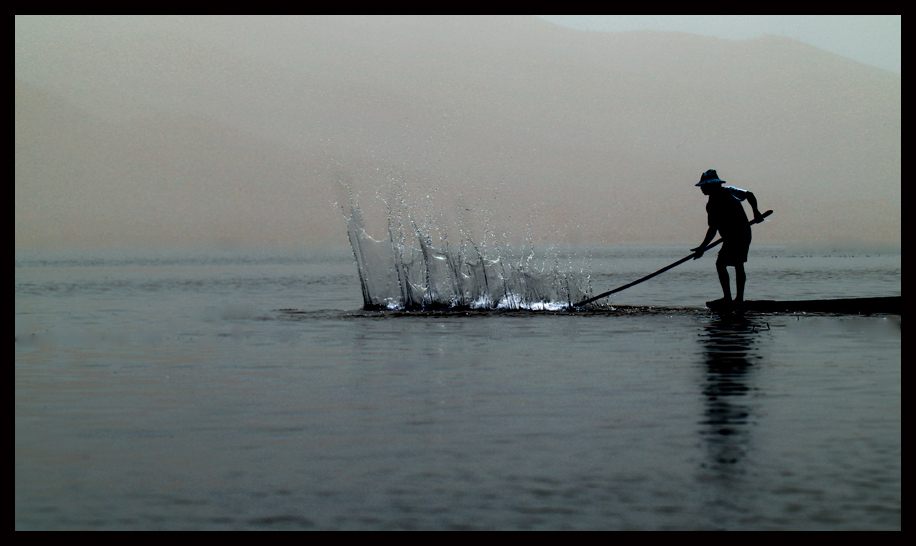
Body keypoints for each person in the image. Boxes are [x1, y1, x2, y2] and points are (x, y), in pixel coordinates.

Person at [691, 169, 764, 305]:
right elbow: (713, 228)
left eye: (704, 186)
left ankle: (738, 299)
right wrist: (703, 247)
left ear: (712, 185)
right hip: (729, 237)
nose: (701, 189)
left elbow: (749, 195)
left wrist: (756, 212)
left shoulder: (729, 191)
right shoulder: (711, 204)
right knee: (721, 264)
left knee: (736, 264)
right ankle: (729, 298)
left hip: (741, 233)